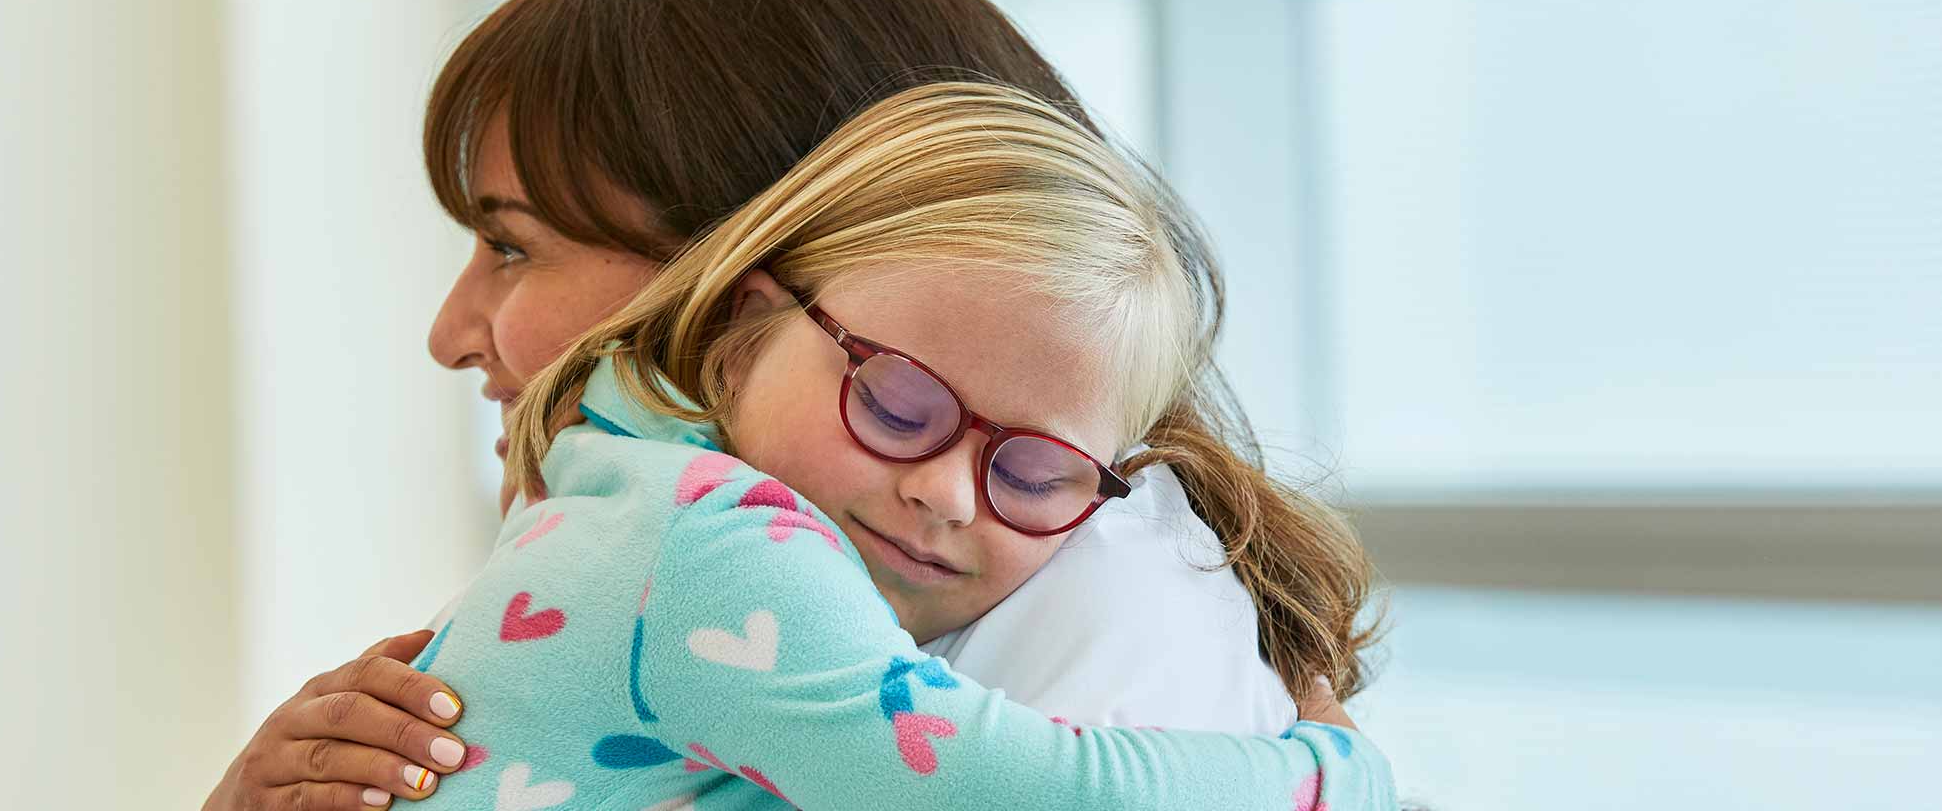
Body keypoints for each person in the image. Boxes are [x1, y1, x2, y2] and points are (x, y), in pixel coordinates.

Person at [206, 0, 1380, 811]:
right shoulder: (707, 531)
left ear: (737, 275)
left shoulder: (1101, 605)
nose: (452, 329)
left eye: (514, 245)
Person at [394, 80, 1394, 810]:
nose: (950, 495)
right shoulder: (711, 548)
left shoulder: (619, 484)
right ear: (743, 337)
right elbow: (1035, 794)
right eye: (897, 406)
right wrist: (1334, 779)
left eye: (1033, 473)